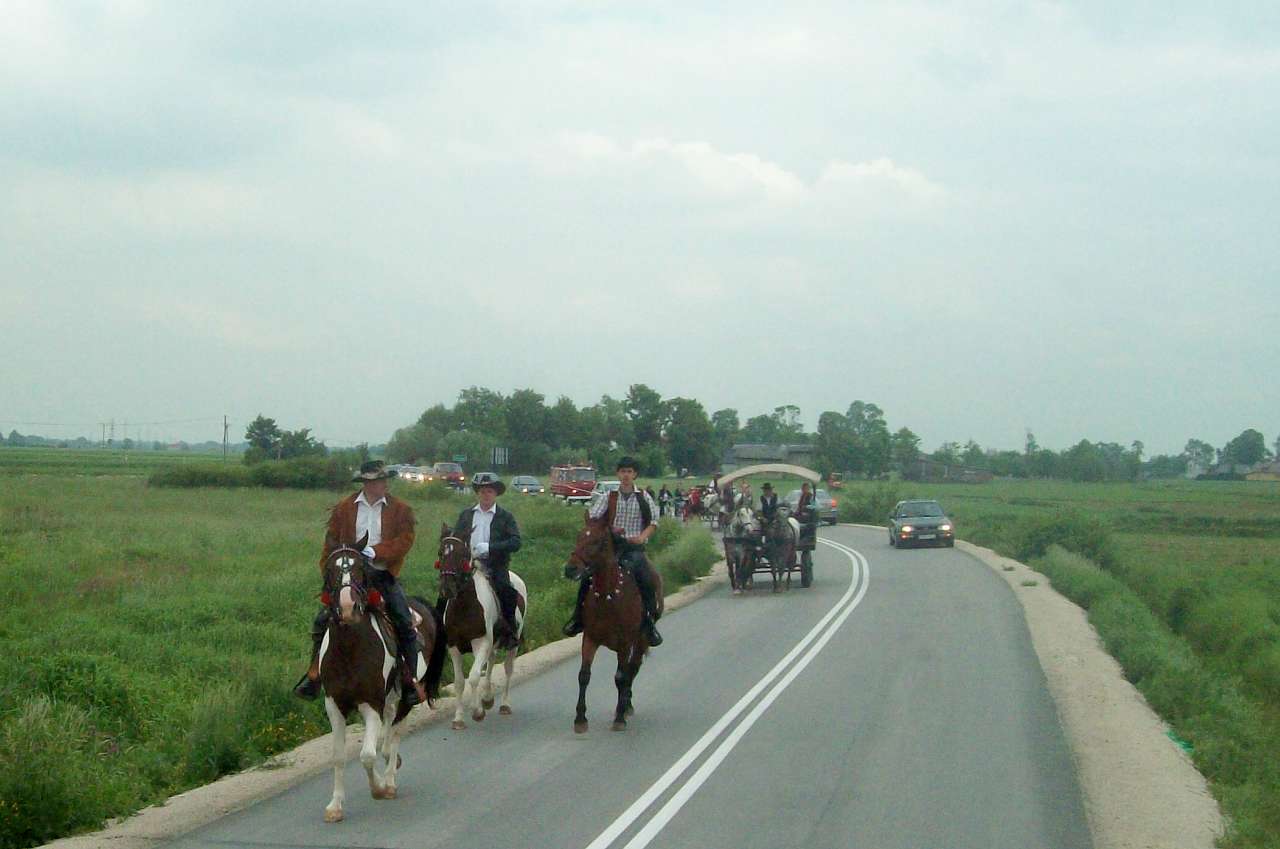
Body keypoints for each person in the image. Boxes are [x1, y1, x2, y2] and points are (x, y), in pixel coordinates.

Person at [295, 460, 424, 707]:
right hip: (350, 576)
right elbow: (330, 542)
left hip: (382, 573)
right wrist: (330, 573)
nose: (381, 485)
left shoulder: (401, 510)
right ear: (366, 483)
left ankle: (410, 680)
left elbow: (405, 541)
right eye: (375, 481)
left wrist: (377, 552)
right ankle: (313, 675)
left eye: (383, 481)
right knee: (322, 620)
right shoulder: (345, 508)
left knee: (403, 620)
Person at [563, 456, 663, 646]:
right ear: (618, 474)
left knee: (646, 576)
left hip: (634, 547)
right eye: (623, 471)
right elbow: (593, 518)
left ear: (635, 475)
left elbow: (654, 522)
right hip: (611, 547)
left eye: (630, 472)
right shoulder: (609, 497)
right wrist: (607, 529)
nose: (626, 475)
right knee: (587, 577)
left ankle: (649, 622)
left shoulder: (643, 497)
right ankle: (578, 618)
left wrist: (642, 537)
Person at [451, 472, 523, 650]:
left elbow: (516, 542)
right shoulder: (466, 515)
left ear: (496, 494)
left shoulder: (505, 517)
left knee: (506, 589)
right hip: (467, 564)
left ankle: (509, 631)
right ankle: (444, 629)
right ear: (478, 493)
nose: (486, 495)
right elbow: (456, 537)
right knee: (447, 589)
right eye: (482, 491)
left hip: (494, 565)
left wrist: (491, 547)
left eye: (490, 491)